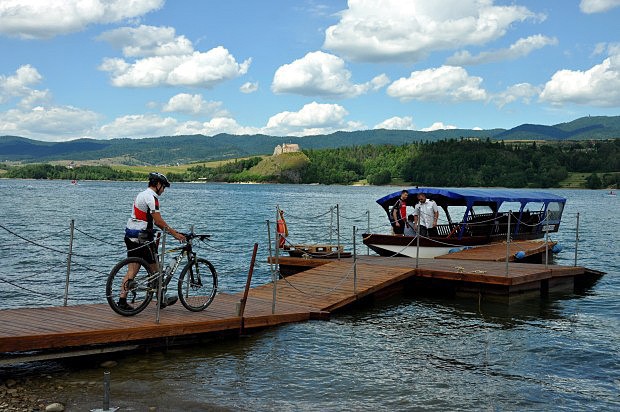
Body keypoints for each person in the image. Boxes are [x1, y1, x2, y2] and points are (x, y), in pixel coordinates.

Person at [117, 172, 186, 311]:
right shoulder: (152, 197)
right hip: (143, 238)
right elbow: (158, 222)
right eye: (164, 187)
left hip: (130, 235)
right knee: (157, 270)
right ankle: (161, 300)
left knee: (132, 271)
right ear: (158, 184)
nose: (164, 190)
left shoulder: (141, 194)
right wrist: (175, 234)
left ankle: (121, 301)